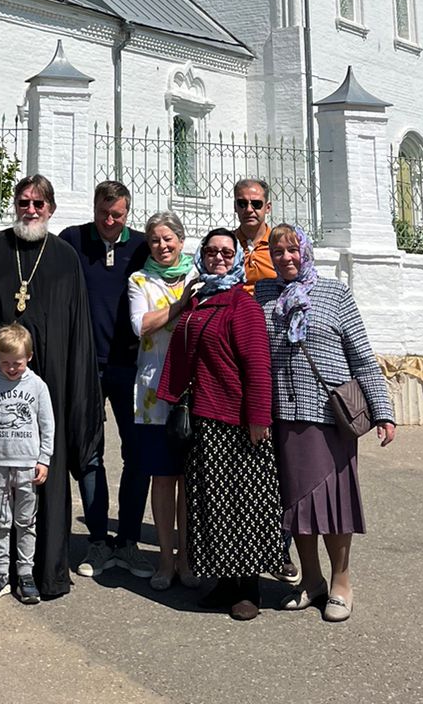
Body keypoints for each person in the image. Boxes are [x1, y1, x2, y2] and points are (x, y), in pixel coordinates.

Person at [0, 175, 102, 599]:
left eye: (38, 204)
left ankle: (38, 572)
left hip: (46, 393)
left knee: (40, 490)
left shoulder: (65, 258)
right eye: (24, 202)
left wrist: (78, 399)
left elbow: (77, 333)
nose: (30, 211)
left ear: (50, 209)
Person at [257, 224, 396, 623]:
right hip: (283, 416)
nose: (285, 258)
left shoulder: (334, 293)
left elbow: (362, 356)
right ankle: (311, 580)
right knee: (297, 506)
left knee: (333, 505)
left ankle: (341, 581)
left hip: (329, 417)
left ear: (306, 250)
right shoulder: (265, 294)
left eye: (292, 250)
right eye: (277, 251)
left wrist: (382, 411)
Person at [157, 227, 280, 620]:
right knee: (213, 504)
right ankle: (224, 582)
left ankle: (249, 589)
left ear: (238, 260)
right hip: (204, 418)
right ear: (202, 255)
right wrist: (173, 396)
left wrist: (259, 417)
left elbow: (258, 366)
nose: (219, 258)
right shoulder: (198, 300)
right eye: (212, 252)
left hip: (237, 419)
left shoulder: (240, 305)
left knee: (242, 503)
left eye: (227, 253)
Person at [60, 180, 151, 578]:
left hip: (132, 366)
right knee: (89, 453)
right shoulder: (73, 240)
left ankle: (128, 541)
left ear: (127, 213)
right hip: (87, 364)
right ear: (94, 207)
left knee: (138, 455)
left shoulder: (144, 246)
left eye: (117, 215)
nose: (110, 221)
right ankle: (97, 541)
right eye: (103, 213)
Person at [127, 210, 199, 589]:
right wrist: (179, 306)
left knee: (188, 477)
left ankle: (187, 559)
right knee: (163, 476)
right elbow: (140, 325)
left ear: (181, 241)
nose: (162, 245)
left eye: (168, 239)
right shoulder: (140, 279)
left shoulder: (197, 275)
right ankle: (165, 561)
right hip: (155, 391)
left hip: (194, 389)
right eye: (155, 240)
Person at [233, 177, 299, 583]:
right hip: (232, 361)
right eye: (242, 203)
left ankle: (280, 548)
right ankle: (240, 547)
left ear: (268, 206)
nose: (249, 209)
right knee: (243, 460)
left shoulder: (279, 247)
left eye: (255, 202)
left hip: (270, 358)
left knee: (277, 461)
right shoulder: (226, 243)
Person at [0, 322, 55, 606]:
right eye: (5, 362)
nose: (11, 368)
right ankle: (1, 573)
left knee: (26, 522)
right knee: (1, 522)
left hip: (28, 467)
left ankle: (26, 574)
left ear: (29, 357)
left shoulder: (37, 386)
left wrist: (44, 459)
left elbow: (47, 425)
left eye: (17, 363)